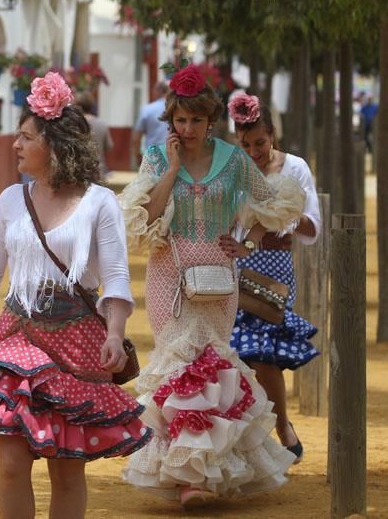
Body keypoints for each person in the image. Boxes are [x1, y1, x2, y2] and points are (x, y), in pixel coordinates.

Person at [0, 72, 151, 519]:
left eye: (25, 137)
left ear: (55, 143)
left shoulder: (100, 202)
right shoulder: (10, 200)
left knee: (66, 468)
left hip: (77, 346)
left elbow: (115, 278)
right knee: (12, 464)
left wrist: (115, 334)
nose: (15, 145)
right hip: (15, 341)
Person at [118, 64, 302, 507]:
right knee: (178, 366)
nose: (188, 128)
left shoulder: (235, 159)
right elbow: (143, 214)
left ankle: (205, 471)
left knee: (213, 363)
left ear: (211, 120)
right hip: (169, 274)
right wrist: (172, 169)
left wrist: (249, 242)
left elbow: (275, 202)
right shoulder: (159, 157)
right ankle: (186, 477)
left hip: (221, 275)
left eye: (196, 120)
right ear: (171, 120)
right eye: (180, 120)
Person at [227, 92, 320, 462]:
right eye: (245, 144)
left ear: (272, 135)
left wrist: (282, 219)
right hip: (233, 267)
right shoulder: (233, 168)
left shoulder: (295, 167)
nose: (253, 151)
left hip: (275, 270)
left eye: (260, 143)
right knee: (235, 355)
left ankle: (281, 424)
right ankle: (248, 440)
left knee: (263, 355)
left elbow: (313, 225)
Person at [130, 79, 170, 167]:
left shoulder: (147, 110)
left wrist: (138, 157)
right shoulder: (175, 109)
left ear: (158, 91)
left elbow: (136, 138)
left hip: (152, 158)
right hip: (172, 156)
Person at [75, 91, 114, 179]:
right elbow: (109, 147)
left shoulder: (72, 124)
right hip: (98, 170)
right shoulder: (102, 124)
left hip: (78, 170)